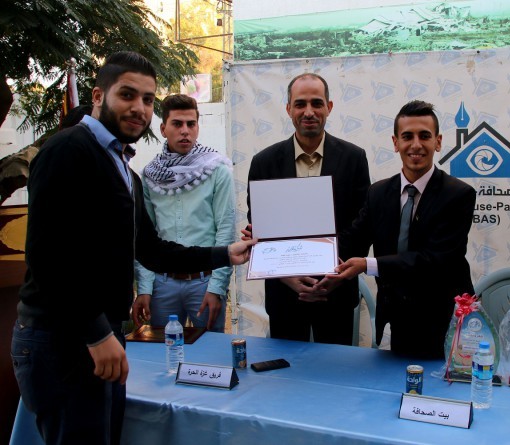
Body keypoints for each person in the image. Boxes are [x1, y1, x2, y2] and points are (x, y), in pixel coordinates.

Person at [11, 51, 255, 445]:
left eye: (147, 99)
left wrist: (224, 254)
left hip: (101, 333)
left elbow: (151, 249)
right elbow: (49, 258)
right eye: (127, 95)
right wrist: (96, 334)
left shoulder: (123, 167)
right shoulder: (68, 150)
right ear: (98, 95)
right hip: (63, 337)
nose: (138, 108)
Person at [320, 100, 476, 358]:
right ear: (395, 143)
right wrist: (295, 249)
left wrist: (367, 265)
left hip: (444, 322)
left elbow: (434, 261)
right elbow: (351, 242)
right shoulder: (378, 193)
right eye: (407, 136)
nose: (416, 145)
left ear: (438, 142)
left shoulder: (458, 195)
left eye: (424, 136)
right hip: (396, 318)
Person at [246, 72, 370, 345]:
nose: (309, 112)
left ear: (329, 107)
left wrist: (333, 273)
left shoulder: (354, 158)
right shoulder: (264, 163)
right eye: (300, 104)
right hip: (284, 293)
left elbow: (362, 225)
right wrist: (287, 275)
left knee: (336, 367)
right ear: (288, 109)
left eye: (317, 103)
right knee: (285, 368)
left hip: (336, 291)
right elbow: (259, 228)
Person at [132, 94, 235, 332]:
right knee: (163, 349)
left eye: (191, 124)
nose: (185, 131)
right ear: (163, 129)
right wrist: (145, 289)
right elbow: (145, 237)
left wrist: (217, 287)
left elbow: (225, 229)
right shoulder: (150, 175)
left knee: (209, 350)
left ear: (198, 127)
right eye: (177, 124)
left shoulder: (216, 169)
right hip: (163, 283)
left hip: (204, 281)